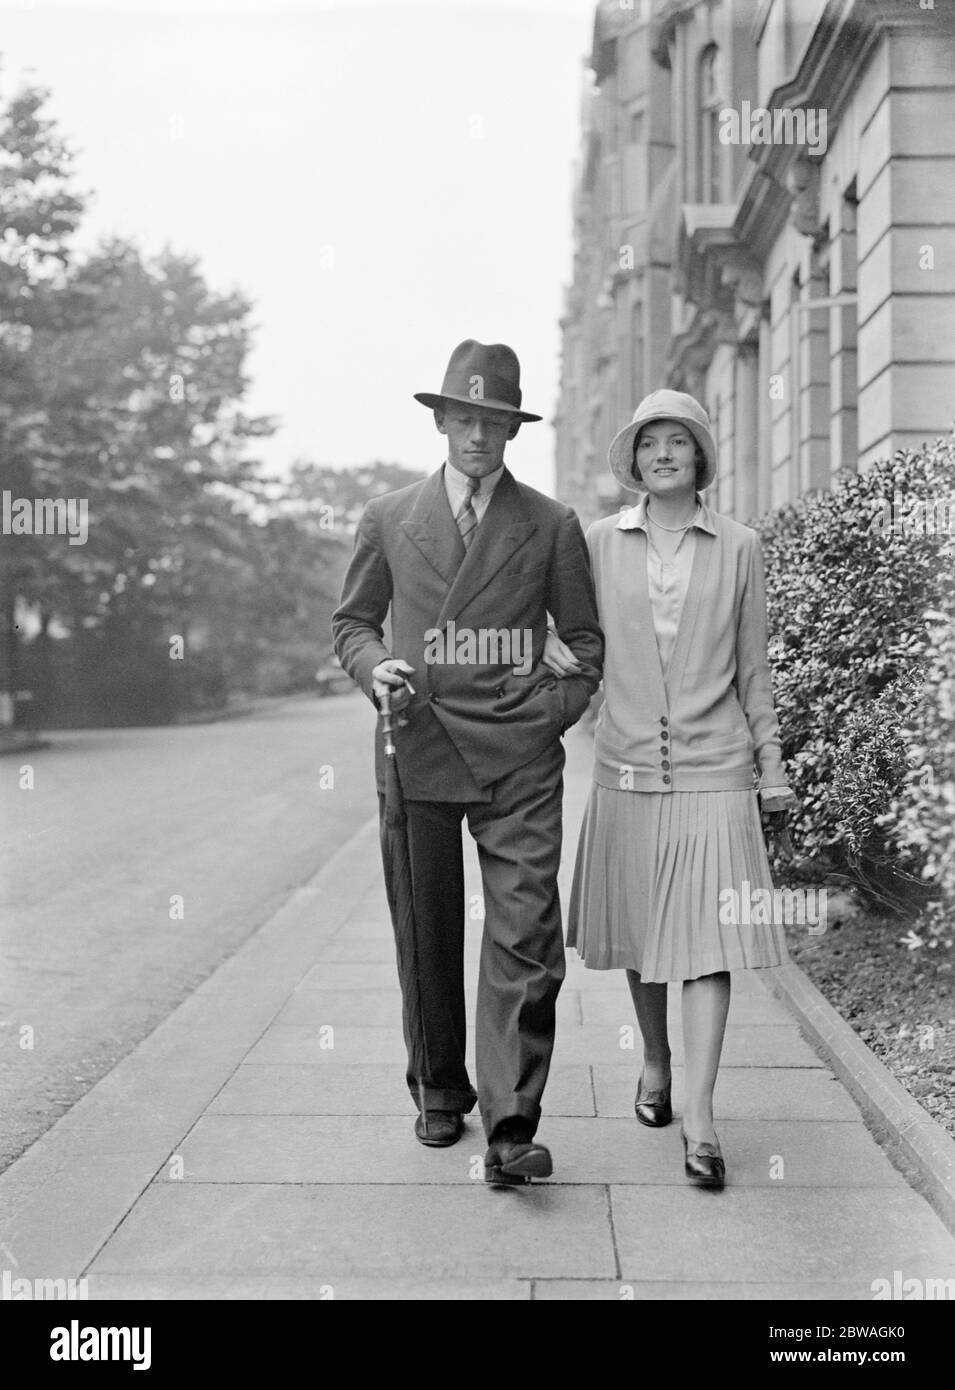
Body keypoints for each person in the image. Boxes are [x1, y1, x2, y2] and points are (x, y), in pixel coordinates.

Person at [332, 340, 603, 1187]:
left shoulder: (551, 524)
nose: (477, 435)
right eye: (464, 419)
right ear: (441, 422)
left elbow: (586, 647)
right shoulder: (386, 516)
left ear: (510, 430)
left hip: (517, 754)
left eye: (493, 422)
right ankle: (439, 1088)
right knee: (426, 925)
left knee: (526, 934)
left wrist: (542, 715)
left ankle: (512, 1125)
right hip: (414, 742)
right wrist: (372, 667)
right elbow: (352, 623)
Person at [558, 388, 796, 1189]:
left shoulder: (739, 546)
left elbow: (755, 670)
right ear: (632, 459)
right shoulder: (596, 543)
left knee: (707, 945)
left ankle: (698, 1111)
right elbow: (573, 642)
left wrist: (771, 766)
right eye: (649, 442)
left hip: (715, 768)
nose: (663, 454)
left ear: (700, 457)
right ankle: (653, 1061)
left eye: (679, 442)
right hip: (626, 765)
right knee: (638, 931)